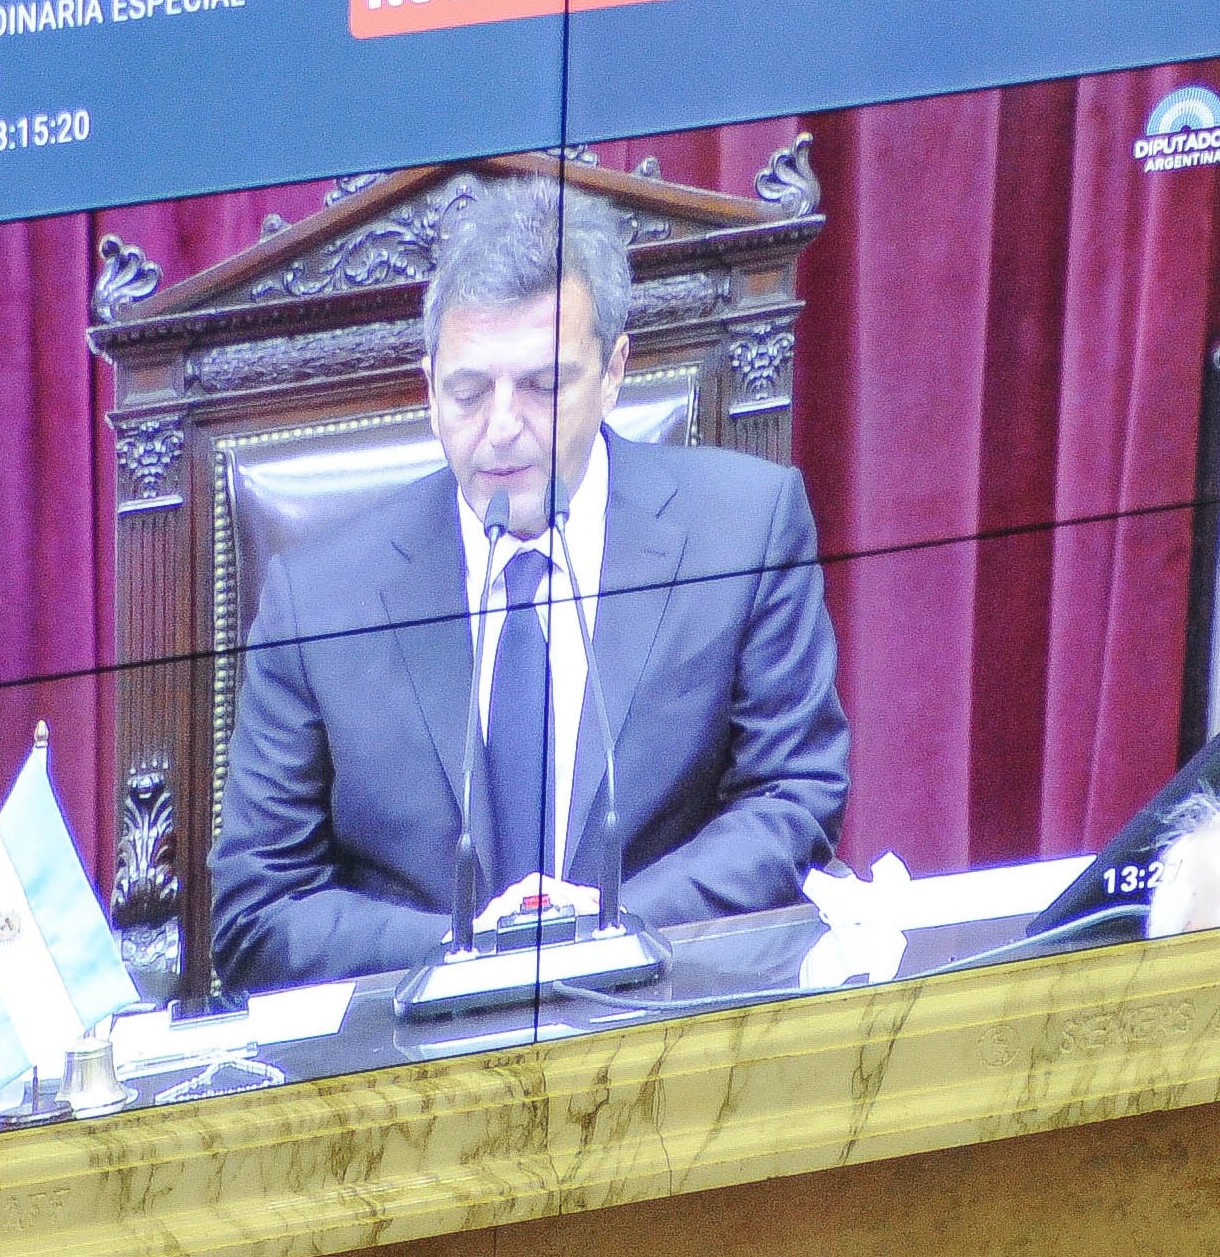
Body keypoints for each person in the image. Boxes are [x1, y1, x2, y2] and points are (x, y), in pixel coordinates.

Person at [206, 169, 851, 995]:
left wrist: (604, 932)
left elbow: (794, 796)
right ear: (427, 384)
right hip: (415, 1066)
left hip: (663, 1019)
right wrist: (468, 948)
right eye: (467, 392)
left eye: (543, 385)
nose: (501, 430)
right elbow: (257, 909)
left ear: (614, 370)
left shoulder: (745, 527)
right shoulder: (316, 599)